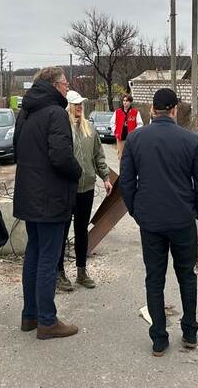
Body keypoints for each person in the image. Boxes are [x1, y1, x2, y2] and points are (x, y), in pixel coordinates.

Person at [119, 88, 198, 357]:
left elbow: (126, 182)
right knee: (187, 276)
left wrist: (137, 211)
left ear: (152, 109)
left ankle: (159, 339)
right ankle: (190, 333)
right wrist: (197, 211)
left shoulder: (136, 139)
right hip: (182, 220)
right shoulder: (190, 140)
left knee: (154, 278)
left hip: (151, 222)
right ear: (174, 110)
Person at [13, 67, 83, 339]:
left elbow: (19, 150)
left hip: (30, 195)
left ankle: (29, 315)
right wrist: (78, 173)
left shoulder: (26, 112)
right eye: (65, 84)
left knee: (34, 253)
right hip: (51, 197)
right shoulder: (55, 113)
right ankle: (47, 321)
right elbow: (61, 157)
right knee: (48, 258)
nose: (67, 88)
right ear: (54, 85)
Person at [56, 89, 113, 292]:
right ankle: (59, 273)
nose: (80, 107)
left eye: (81, 104)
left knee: (81, 230)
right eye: (76, 104)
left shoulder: (90, 129)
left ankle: (81, 271)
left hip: (86, 188)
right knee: (61, 231)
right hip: (66, 188)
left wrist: (105, 177)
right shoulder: (62, 128)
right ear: (68, 106)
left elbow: (99, 156)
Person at [110, 94, 144, 161]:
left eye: (127, 101)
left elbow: (140, 124)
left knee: (131, 157)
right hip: (121, 139)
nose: (125, 102)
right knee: (121, 157)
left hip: (131, 140)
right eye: (124, 101)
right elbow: (112, 123)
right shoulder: (117, 112)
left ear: (130, 102)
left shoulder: (135, 112)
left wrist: (134, 133)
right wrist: (115, 131)